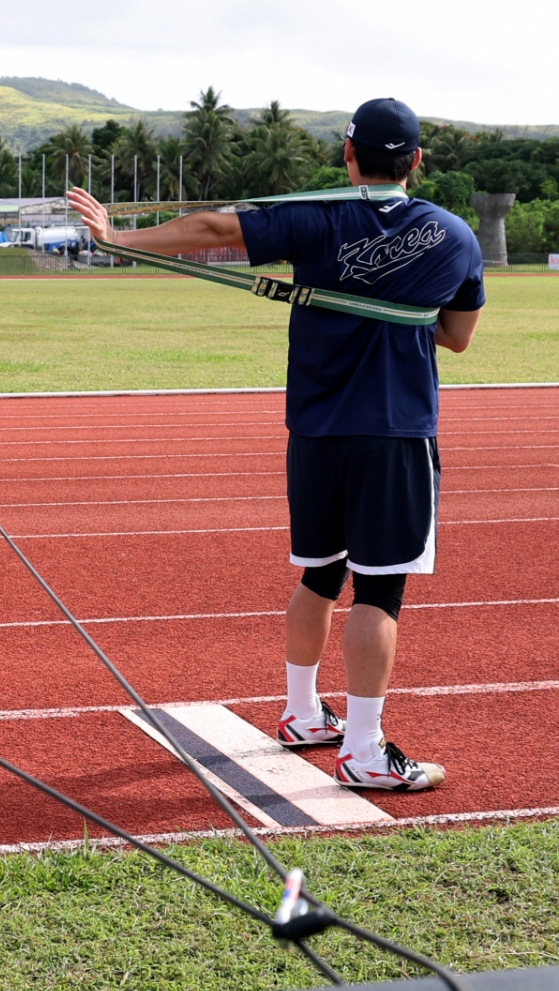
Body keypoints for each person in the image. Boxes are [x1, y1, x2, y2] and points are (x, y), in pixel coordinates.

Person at [68, 97, 483, 793]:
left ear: (347, 154)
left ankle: (301, 713)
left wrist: (116, 238)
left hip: (314, 430)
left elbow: (211, 226)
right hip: (393, 432)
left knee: (320, 574)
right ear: (414, 160)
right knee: (380, 590)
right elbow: (458, 336)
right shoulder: (455, 235)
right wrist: (398, 313)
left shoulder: (315, 217)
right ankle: (363, 749)